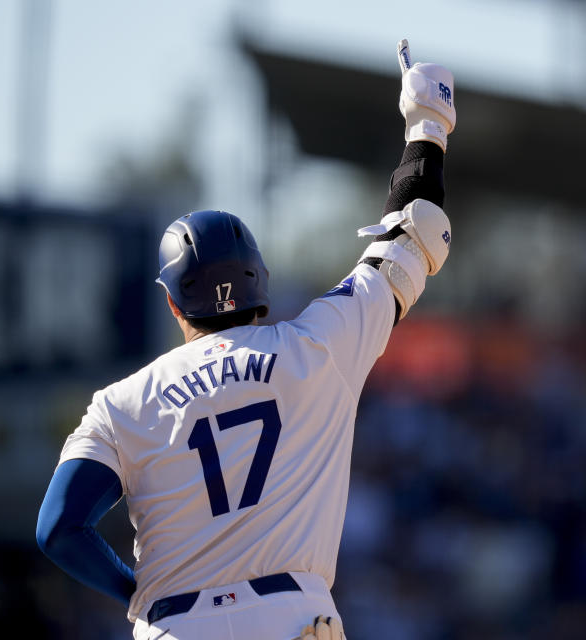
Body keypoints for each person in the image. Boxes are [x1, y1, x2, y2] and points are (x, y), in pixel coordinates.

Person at [36, 39, 455, 640]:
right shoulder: (319, 346)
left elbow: (58, 527)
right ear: (261, 282)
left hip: (176, 624)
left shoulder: (121, 404)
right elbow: (415, 237)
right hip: (293, 617)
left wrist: (141, 594)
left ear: (172, 301)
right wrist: (427, 126)